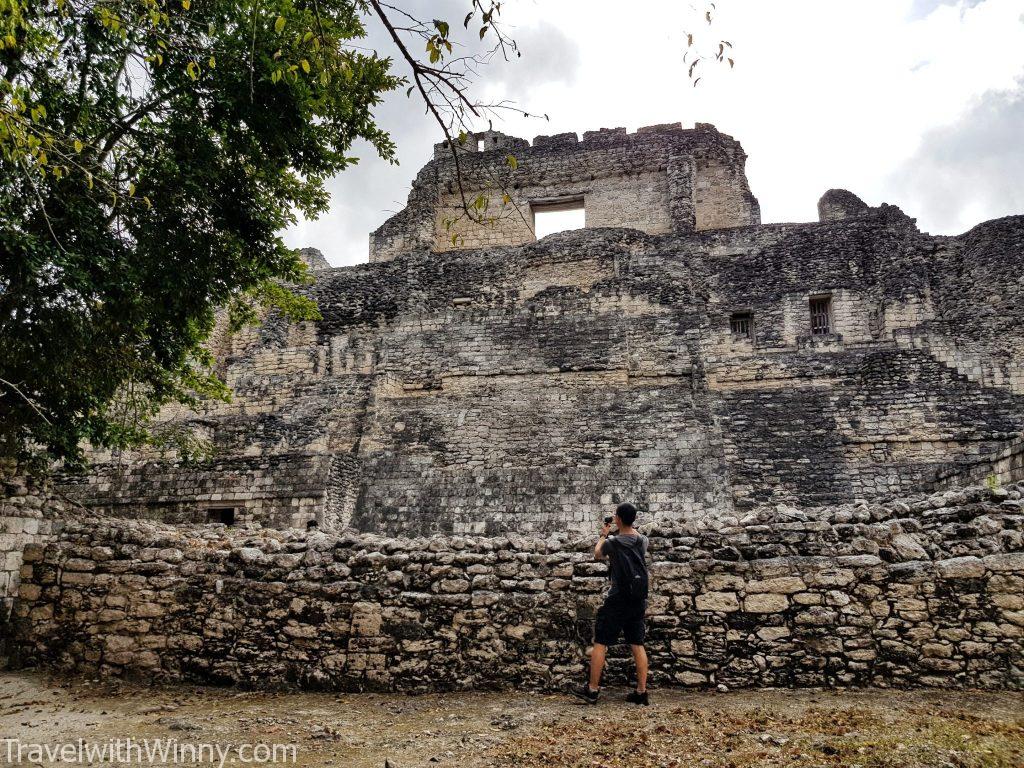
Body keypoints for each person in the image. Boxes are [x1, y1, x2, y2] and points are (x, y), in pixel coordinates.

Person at [574, 502, 650, 706]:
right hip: (638, 598)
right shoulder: (643, 540)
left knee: (601, 642)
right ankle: (641, 691)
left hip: (617, 598)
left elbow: (597, 554)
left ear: (618, 519)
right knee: (637, 643)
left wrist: (603, 535)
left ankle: (592, 689)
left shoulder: (613, 542)